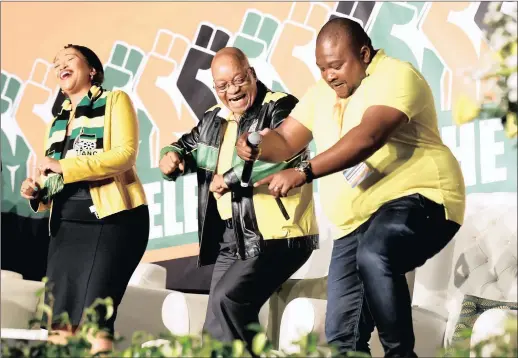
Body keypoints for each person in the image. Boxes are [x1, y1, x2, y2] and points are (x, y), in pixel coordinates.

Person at [236, 18, 466, 357]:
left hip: (422, 199)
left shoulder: (396, 76)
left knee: (376, 253)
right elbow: (285, 139)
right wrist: (255, 144)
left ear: (364, 54)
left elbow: (368, 137)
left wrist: (303, 171)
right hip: (353, 226)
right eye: (322, 68)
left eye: (336, 65)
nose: (329, 75)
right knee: (341, 335)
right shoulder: (321, 94)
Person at [159, 47, 318, 354]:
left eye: (238, 80)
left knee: (227, 301)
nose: (232, 90)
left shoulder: (279, 106)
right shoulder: (212, 119)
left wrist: (231, 178)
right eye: (222, 86)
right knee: (216, 327)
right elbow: (186, 147)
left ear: (252, 75)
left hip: (276, 234)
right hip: (232, 238)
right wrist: (172, 156)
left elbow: (283, 152)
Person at [20, 44, 149, 353]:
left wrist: (64, 166)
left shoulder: (115, 100)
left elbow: (124, 155)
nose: (60, 66)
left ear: (91, 69)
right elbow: (57, 179)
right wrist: (38, 191)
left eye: (69, 60)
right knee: (59, 321)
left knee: (95, 318)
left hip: (110, 220)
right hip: (66, 227)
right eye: (55, 64)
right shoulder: (58, 122)